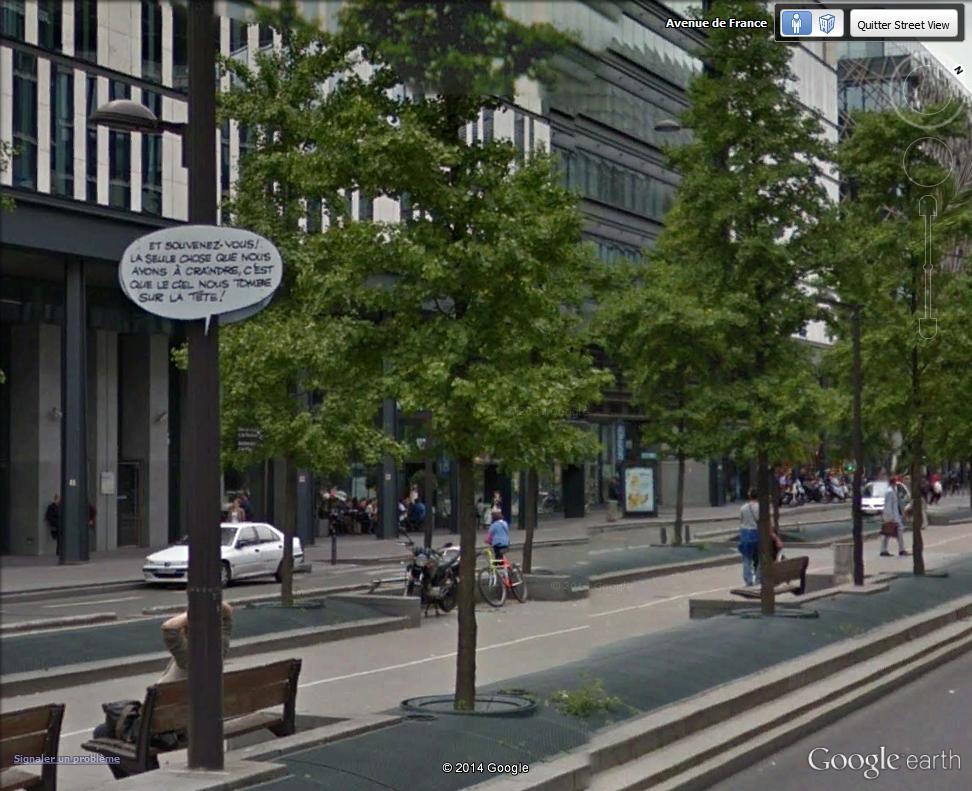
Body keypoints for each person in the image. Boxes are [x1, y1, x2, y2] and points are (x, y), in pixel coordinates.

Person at [92, 603, 234, 776]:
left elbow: (169, 628)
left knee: (102, 732)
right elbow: (227, 611)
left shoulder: (192, 658)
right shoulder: (219, 645)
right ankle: (143, 769)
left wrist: (193, 615)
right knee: (125, 726)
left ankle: (141, 775)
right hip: (184, 721)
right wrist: (202, 609)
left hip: (168, 727)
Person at [881, 476, 908, 557]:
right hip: (892, 517)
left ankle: (884, 550)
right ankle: (901, 550)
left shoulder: (893, 490)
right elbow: (888, 505)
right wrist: (890, 517)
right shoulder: (889, 492)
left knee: (887, 533)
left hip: (894, 516)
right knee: (897, 532)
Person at [737, 488, 760, 586]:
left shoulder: (743, 507)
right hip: (757, 532)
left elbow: (741, 520)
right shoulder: (760, 507)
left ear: (749, 495)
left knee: (747, 558)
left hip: (745, 533)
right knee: (761, 557)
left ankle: (748, 579)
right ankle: (759, 578)